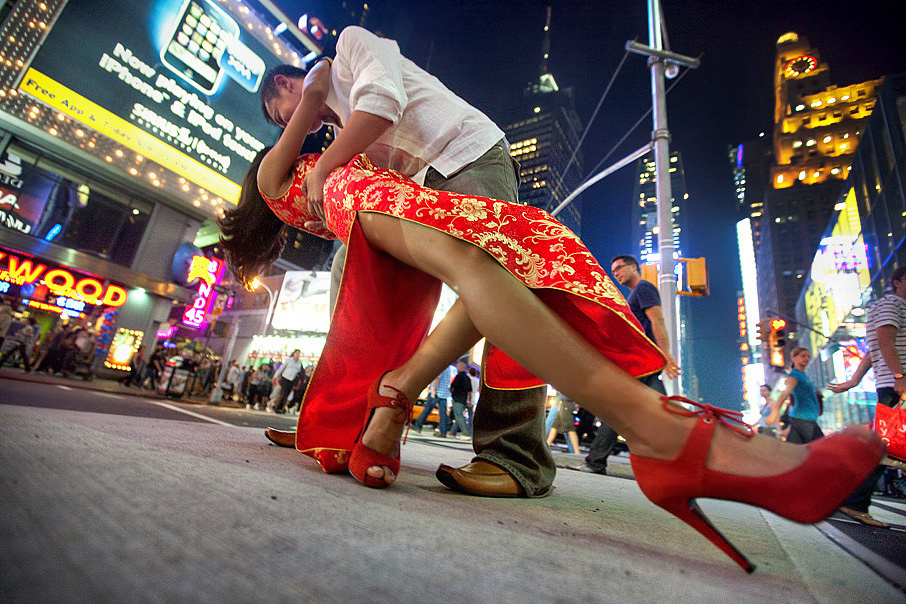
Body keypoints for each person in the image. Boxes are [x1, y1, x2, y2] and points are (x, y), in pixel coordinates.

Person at [218, 75, 885, 571]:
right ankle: (663, 436)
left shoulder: (340, 148)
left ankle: (395, 396)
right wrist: (308, 95)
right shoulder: (289, 172)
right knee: (479, 267)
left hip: (399, 201)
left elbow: (380, 134)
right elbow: (302, 129)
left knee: (535, 244)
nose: (293, 119)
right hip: (367, 210)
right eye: (278, 118)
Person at [259, 26, 553, 498]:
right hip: (416, 193)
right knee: (346, 268)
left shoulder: (351, 48)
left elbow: (382, 104)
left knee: (504, 272)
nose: (291, 126)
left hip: (466, 157)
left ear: (285, 83)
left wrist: (323, 164)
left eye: (281, 114)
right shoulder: (339, 131)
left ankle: (514, 455)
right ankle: (345, 420)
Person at [573, 255, 681, 475]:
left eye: (620, 268)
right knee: (662, 411)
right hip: (643, 363)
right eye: (614, 272)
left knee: (620, 411)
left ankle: (595, 462)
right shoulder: (635, 294)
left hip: (643, 361)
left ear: (633, 267)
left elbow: (657, 320)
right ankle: (684, 458)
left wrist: (665, 353)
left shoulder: (643, 288)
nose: (617, 274)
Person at [827, 266, 906, 527]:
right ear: (897, 282)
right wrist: (899, 378)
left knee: (886, 448)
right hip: (897, 387)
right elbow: (884, 343)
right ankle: (853, 501)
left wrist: (853, 381)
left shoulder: (892, 306)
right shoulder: (891, 304)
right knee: (886, 449)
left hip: (894, 384)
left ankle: (850, 498)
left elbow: (873, 350)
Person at [767, 348, 823, 445]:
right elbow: (784, 395)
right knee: (821, 448)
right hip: (803, 419)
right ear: (794, 358)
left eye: (808, 356)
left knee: (796, 452)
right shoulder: (794, 376)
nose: (806, 358)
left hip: (804, 419)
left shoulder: (803, 375)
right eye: (803, 356)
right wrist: (774, 414)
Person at [410, 366, 453, 436]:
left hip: (437, 392)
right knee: (443, 413)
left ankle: (418, 426)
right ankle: (443, 432)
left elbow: (437, 378)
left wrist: (433, 390)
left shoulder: (441, 366)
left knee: (427, 409)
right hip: (444, 393)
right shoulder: (448, 368)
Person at [271, 350, 303, 414]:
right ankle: (277, 407)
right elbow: (281, 369)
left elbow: (299, 372)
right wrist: (275, 376)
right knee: (283, 393)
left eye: (298, 354)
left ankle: (282, 408)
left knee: (287, 395)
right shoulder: (289, 360)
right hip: (285, 378)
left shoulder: (299, 363)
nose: (297, 355)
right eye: (296, 353)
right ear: (293, 354)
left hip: (292, 380)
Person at [448, 361, 473, 441]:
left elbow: (452, 388)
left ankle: (466, 434)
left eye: (457, 366)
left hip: (457, 399)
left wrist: (453, 394)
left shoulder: (458, 376)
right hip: (463, 399)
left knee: (459, 416)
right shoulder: (467, 378)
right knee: (458, 416)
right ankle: (452, 432)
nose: (457, 368)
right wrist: (469, 401)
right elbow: (470, 391)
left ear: (460, 367)